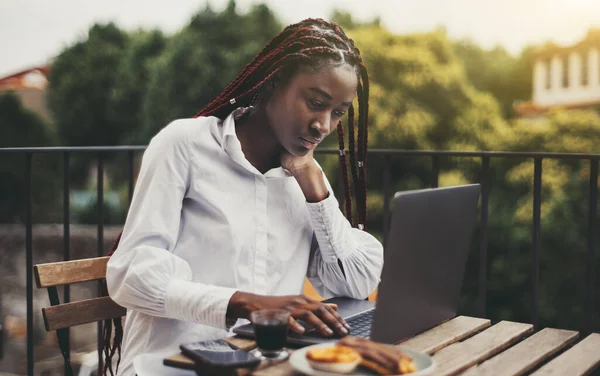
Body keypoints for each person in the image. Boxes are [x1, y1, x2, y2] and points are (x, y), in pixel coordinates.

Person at [104, 18, 384, 376]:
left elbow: (356, 284)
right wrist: (248, 304)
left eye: (338, 113)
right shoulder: (185, 146)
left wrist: (315, 187)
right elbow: (129, 275)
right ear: (274, 83)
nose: (323, 125)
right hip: (168, 364)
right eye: (316, 103)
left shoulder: (303, 180)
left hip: (262, 366)